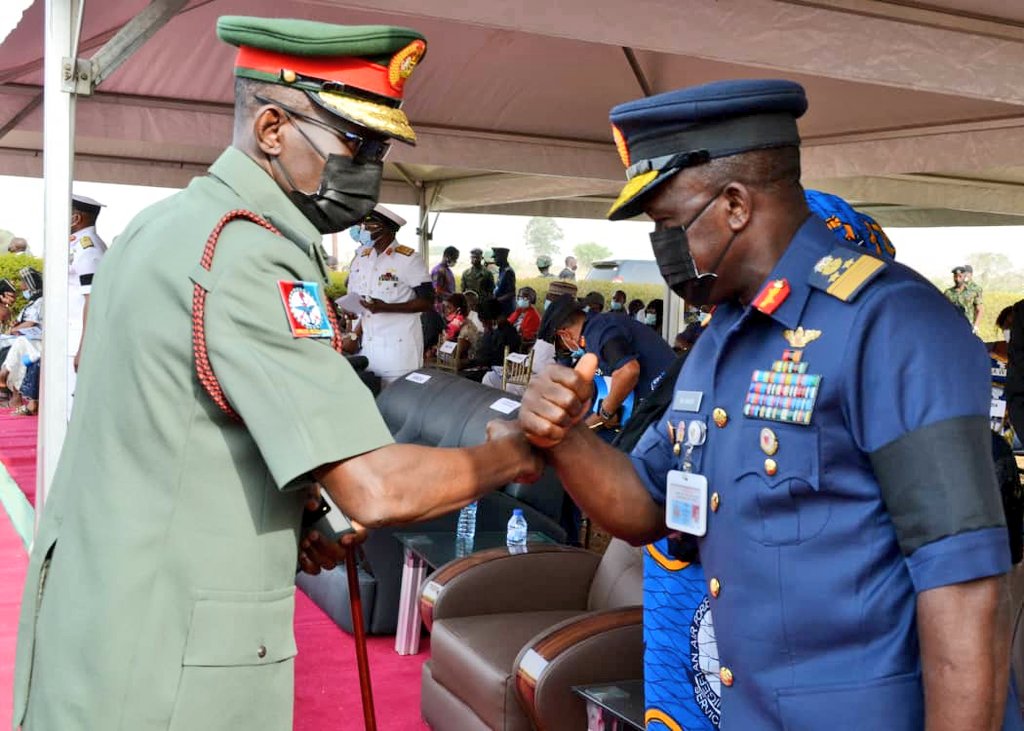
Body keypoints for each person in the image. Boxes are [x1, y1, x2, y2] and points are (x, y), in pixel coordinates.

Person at [13, 18, 541, 731]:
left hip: (94, 629)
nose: (370, 169)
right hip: (166, 666)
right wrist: (507, 451)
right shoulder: (251, 253)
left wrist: (299, 514)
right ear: (270, 127)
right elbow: (376, 487)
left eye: (379, 148)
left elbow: (167, 420)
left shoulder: (159, 227)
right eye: (355, 143)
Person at [519, 79, 1019, 731]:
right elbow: (646, 501)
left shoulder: (887, 322)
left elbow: (964, 589)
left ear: (732, 205)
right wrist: (567, 438)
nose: (664, 247)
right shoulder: (721, 336)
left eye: (670, 223)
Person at [347, 204, 433, 383]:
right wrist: (351, 317)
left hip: (398, 353)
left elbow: (428, 302)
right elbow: (362, 304)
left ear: (387, 229)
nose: (364, 230)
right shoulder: (363, 258)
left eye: (370, 226)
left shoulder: (408, 260)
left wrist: (386, 307)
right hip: (367, 350)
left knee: (398, 407)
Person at [68, 193, 108, 407]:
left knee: (69, 408)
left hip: (75, 340)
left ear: (76, 219)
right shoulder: (76, 245)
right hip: (66, 338)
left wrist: (84, 347)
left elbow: (93, 298)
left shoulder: (89, 249)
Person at [944, 264, 984, 333]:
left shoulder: (973, 291)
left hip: (968, 327)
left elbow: (980, 309)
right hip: (953, 327)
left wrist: (976, 326)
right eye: (955, 276)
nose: (957, 279)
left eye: (960, 276)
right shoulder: (948, 292)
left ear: (964, 277)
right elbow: (944, 311)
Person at [431, 245, 459, 313]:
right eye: (454, 258)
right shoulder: (438, 271)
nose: (455, 261)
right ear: (447, 256)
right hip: (441, 308)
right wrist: (452, 296)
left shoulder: (447, 270)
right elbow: (436, 291)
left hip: (449, 306)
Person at [492, 246, 517, 318]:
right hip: (500, 307)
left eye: (496, 257)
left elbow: (511, 293)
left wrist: (496, 300)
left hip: (507, 309)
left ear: (502, 257)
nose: (494, 260)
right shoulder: (501, 270)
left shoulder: (508, 272)